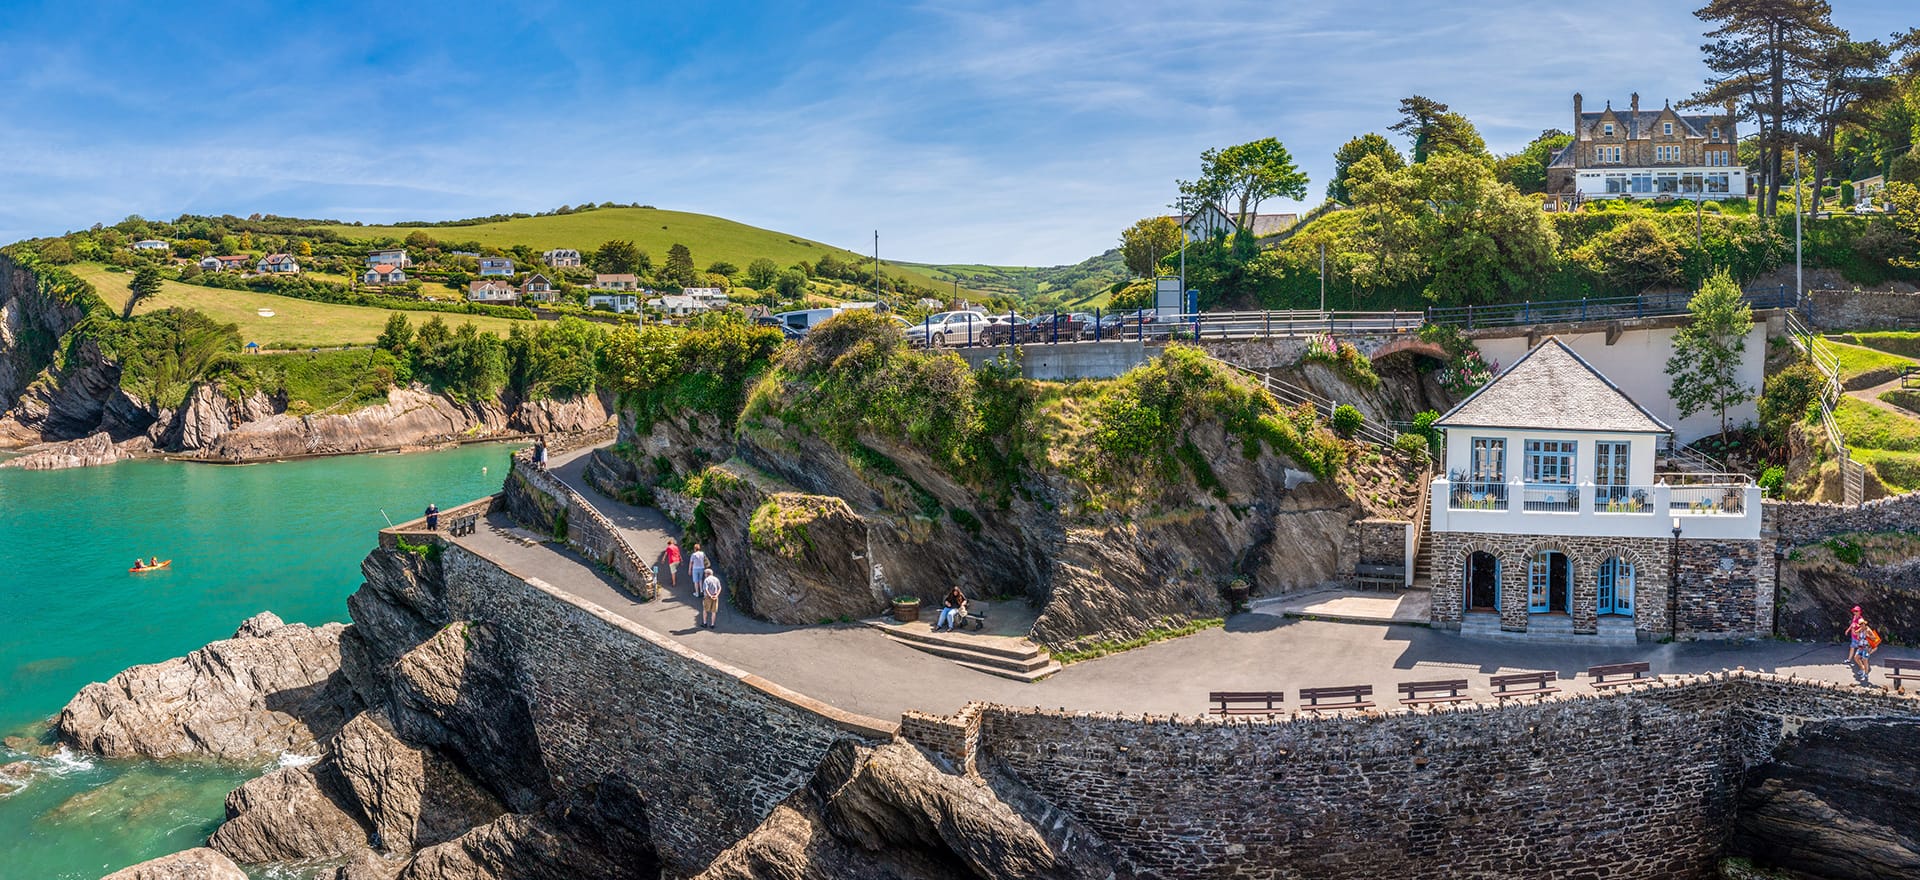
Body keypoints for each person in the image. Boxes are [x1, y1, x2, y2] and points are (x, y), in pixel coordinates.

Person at [1846, 605, 1879, 685]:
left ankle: (1866, 674)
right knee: (1856, 658)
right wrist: (1853, 630)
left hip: (1866, 647)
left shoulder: (1868, 630)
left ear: (1864, 624)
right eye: (1860, 624)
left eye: (1862, 624)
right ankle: (1862, 669)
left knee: (1865, 660)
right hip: (1860, 647)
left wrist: (1867, 636)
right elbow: (1855, 633)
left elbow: (1874, 638)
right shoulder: (1860, 629)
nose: (1861, 625)